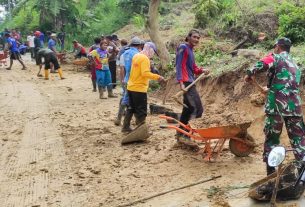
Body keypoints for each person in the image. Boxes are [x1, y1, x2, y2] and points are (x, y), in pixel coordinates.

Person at [245, 37, 305, 175]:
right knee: (299, 139)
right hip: (294, 106)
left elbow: (261, 64)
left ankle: (271, 174)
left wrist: (249, 74)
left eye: (274, 47)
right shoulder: (296, 65)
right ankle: (302, 174)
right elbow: (287, 84)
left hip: (276, 106)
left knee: (272, 138)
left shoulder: (276, 57)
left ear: (278, 47)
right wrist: (269, 87)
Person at [121, 42, 165, 133]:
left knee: (131, 107)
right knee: (141, 110)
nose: (153, 55)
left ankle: (125, 126)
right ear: (151, 50)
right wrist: (158, 77)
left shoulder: (137, 56)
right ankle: (142, 130)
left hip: (131, 86)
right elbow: (145, 73)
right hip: (139, 88)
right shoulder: (145, 59)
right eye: (153, 52)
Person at [175, 29, 209, 142]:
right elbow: (178, 65)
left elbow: (193, 68)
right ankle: (186, 135)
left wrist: (202, 70)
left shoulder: (190, 50)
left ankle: (181, 134)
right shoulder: (183, 47)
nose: (196, 39)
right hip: (186, 83)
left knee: (188, 109)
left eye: (198, 38)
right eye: (194, 37)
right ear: (188, 37)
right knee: (197, 109)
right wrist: (181, 82)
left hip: (190, 81)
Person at [114, 37, 142, 126]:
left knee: (125, 99)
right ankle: (138, 121)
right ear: (139, 46)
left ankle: (118, 118)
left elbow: (121, 68)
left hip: (126, 79)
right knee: (136, 101)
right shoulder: (138, 55)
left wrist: (122, 80)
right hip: (135, 81)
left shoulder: (124, 54)